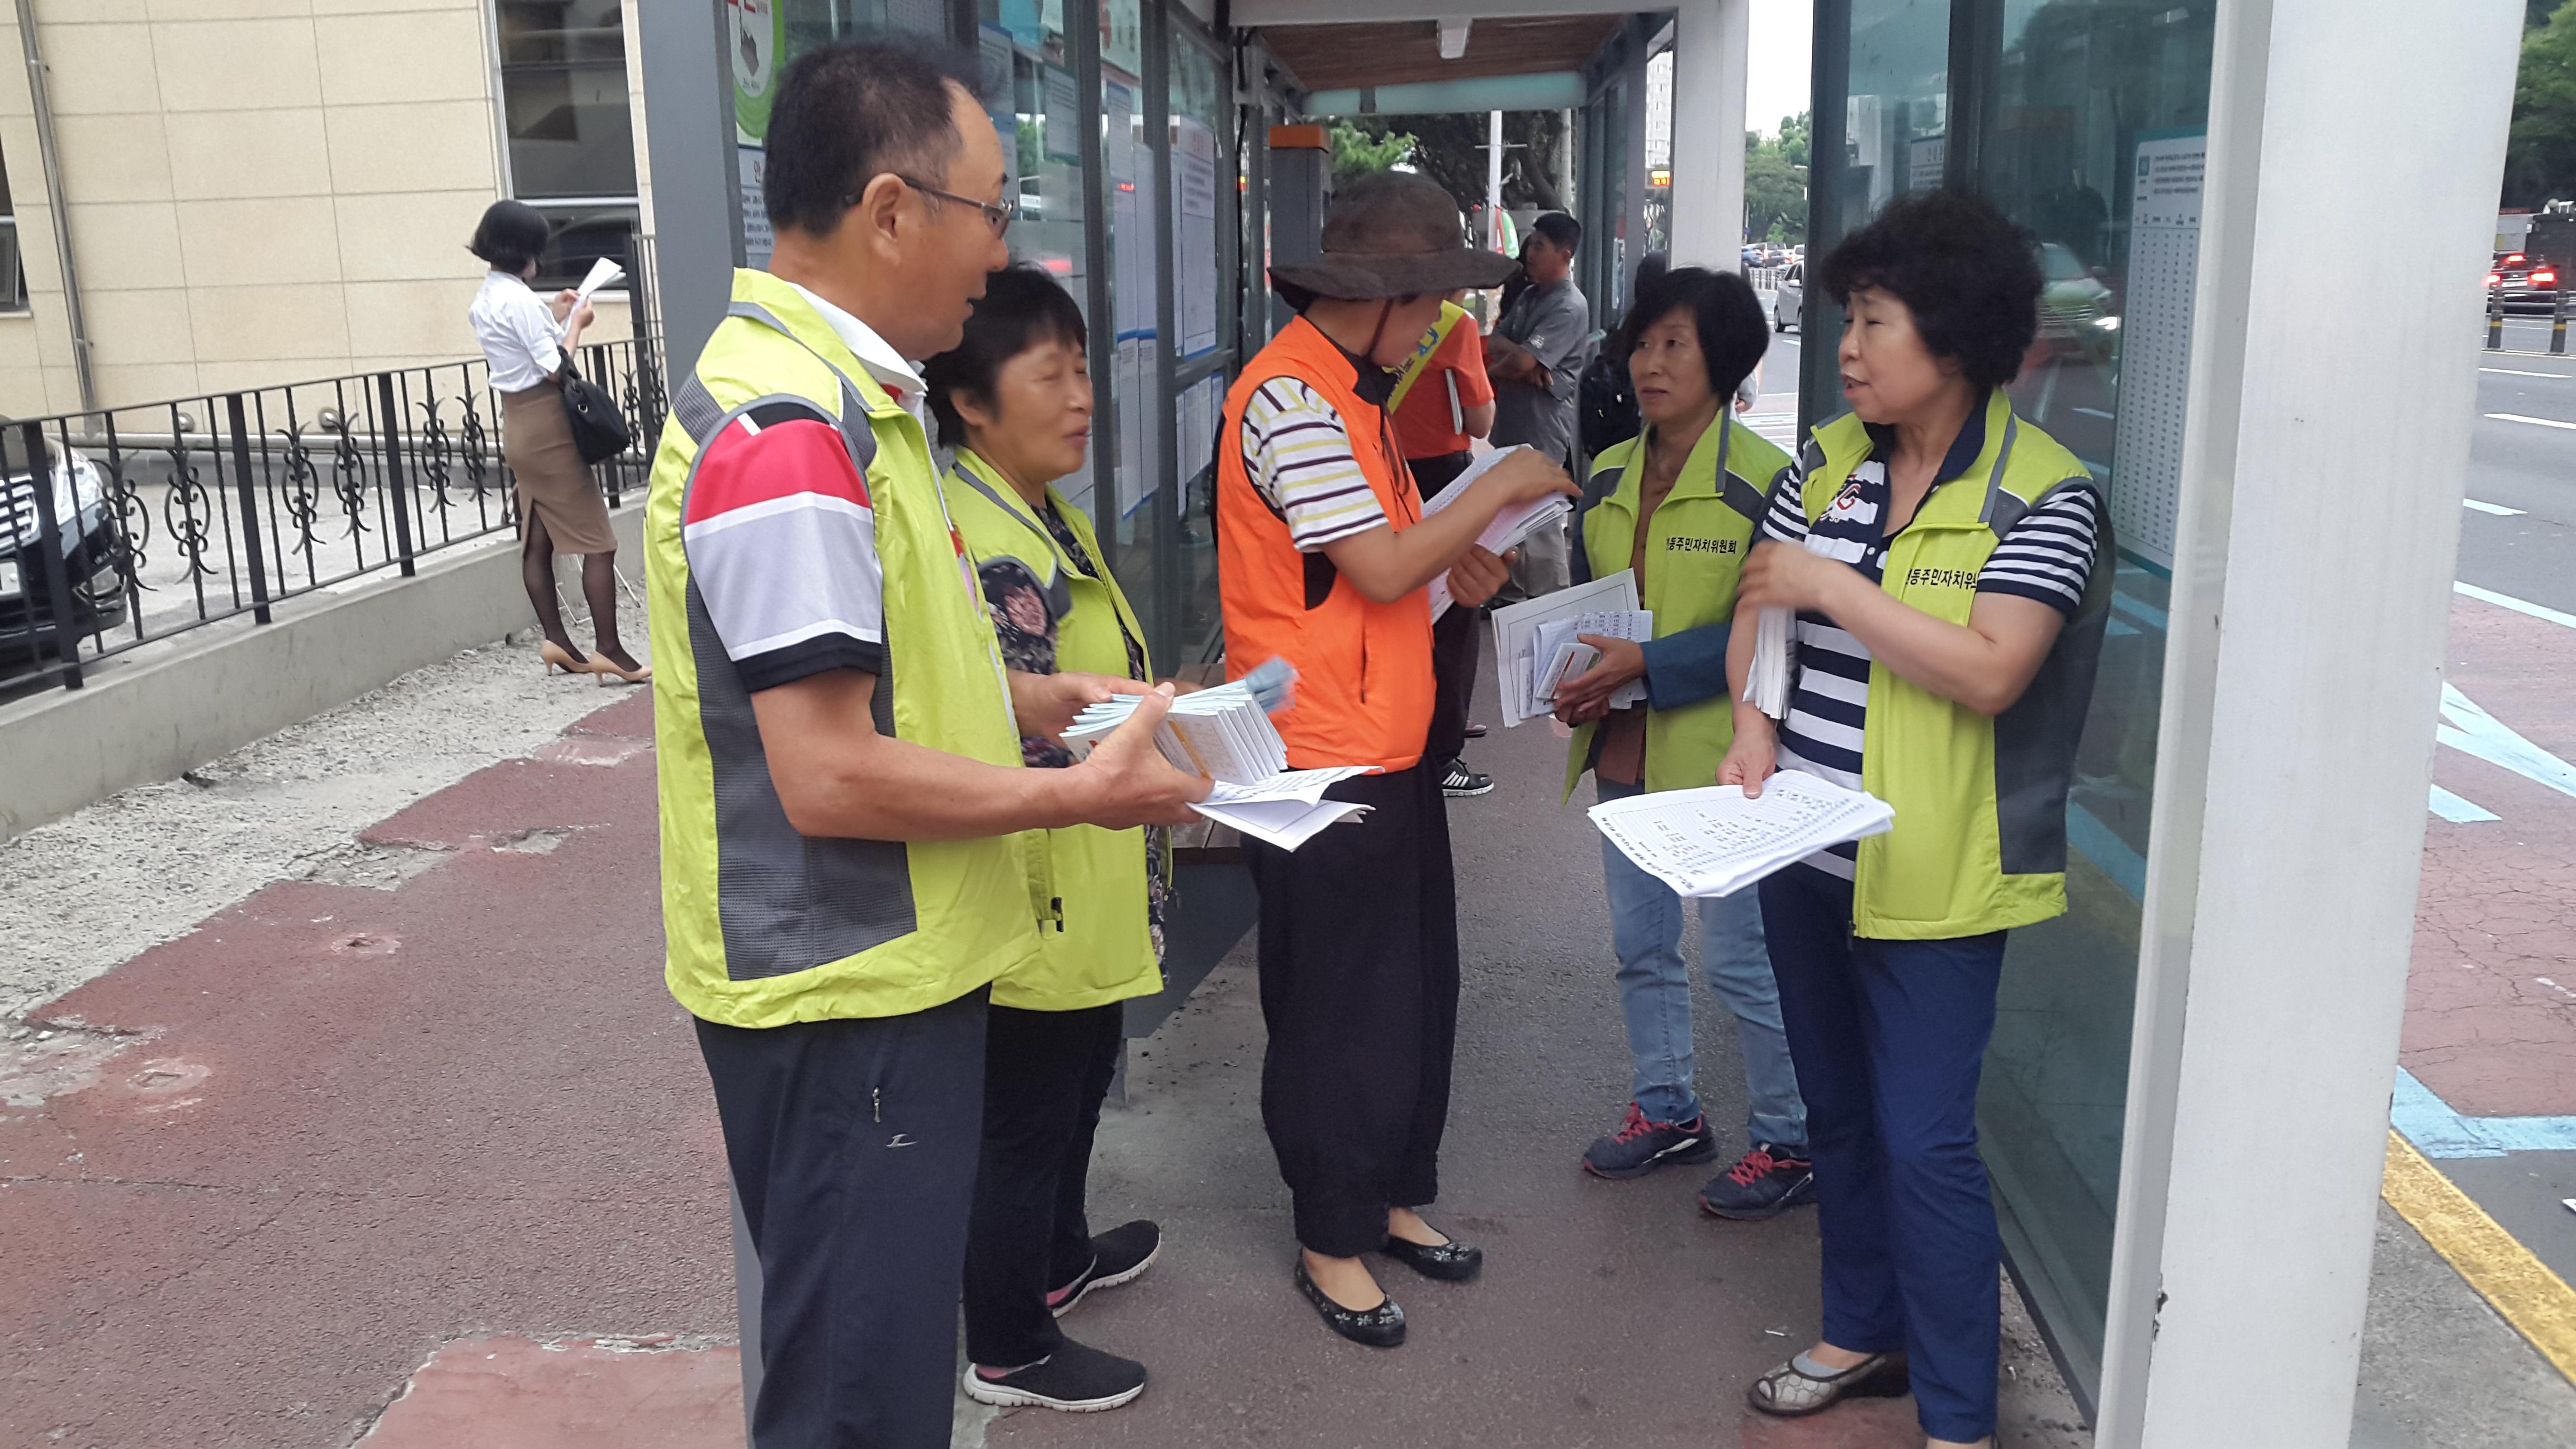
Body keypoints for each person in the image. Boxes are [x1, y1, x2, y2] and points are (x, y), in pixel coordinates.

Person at [642, 38, 1207, 1449]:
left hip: (894, 982)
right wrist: (1079, 790)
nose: (1002, 251)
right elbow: (825, 770)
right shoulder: (789, 432)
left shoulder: (862, 413)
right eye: (992, 210)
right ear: (892, 211)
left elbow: (879, 677)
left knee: (874, 1374)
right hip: (848, 997)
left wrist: (1030, 703)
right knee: (858, 1401)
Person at [1720, 190, 2109, 1449]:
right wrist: (1753, 722)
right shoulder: (1828, 460)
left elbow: (1993, 669)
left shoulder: (2041, 494)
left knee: (1928, 1142)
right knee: (1834, 1109)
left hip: (1940, 873)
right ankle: (1858, 1329)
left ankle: (1957, 1416)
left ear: (1951, 334)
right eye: (1846, 318)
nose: (1845, 346)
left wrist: (1838, 581)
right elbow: (1760, 608)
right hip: (1802, 851)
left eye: (1873, 321)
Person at [1216, 171, 1575, 1348]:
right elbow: (1371, 571)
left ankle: (1388, 1200)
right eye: (1430, 306)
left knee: (1412, 989)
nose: (1437, 329)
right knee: (1334, 1009)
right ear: (1384, 295)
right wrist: (1503, 487)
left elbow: (1374, 576)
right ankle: (1331, 1233)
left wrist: (1449, 567)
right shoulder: (1288, 402)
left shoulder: (1353, 400)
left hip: (1384, 742)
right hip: (1318, 762)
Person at [920, 264, 1169, 1415]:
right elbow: (1017, 732)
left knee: (1074, 1091)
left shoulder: (1035, 506)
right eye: (1052, 373)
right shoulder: (989, 533)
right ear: (973, 401)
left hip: (1084, 871)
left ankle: (1060, 1263)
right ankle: (1010, 1343)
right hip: (1043, 884)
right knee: (1026, 1119)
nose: (1082, 397)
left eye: (1083, 370)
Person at [1552, 267, 1813, 1218]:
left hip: (1721, 759)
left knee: (1742, 957)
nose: (1650, 363)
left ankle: (1789, 1138)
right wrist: (1576, 680)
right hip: (1622, 753)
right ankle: (1667, 1108)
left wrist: (1647, 664)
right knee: (1639, 944)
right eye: (1643, 343)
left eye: (1676, 344)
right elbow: (1590, 608)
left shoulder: (1762, 481)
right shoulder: (1609, 473)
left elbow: (1773, 629)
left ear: (1726, 360)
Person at [465, 200, 646, 684]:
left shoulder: (486, 298)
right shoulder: (520, 301)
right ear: (525, 250)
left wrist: (557, 315)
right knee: (598, 543)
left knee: (538, 539)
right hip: (548, 427)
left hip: (516, 423)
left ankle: (558, 642)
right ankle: (610, 649)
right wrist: (577, 328)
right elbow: (555, 369)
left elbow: (523, 356)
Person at [1389, 292, 1499, 799]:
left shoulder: (1375, 316)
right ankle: (1442, 750)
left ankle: (1416, 731)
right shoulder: (1452, 323)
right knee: (1455, 613)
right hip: (1440, 478)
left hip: (1383, 473)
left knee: (1401, 609)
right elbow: (1480, 423)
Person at [1486, 212, 1592, 598]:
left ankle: (1552, 599)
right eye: (1531, 244)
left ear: (1564, 255)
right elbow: (1498, 343)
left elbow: (1523, 362)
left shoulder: (1569, 306)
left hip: (1542, 423)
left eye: (1539, 246)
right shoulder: (1531, 296)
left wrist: (1519, 365)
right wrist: (1517, 365)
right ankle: (1513, 592)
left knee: (1542, 512)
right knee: (1511, 505)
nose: (1530, 253)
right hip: (1516, 418)